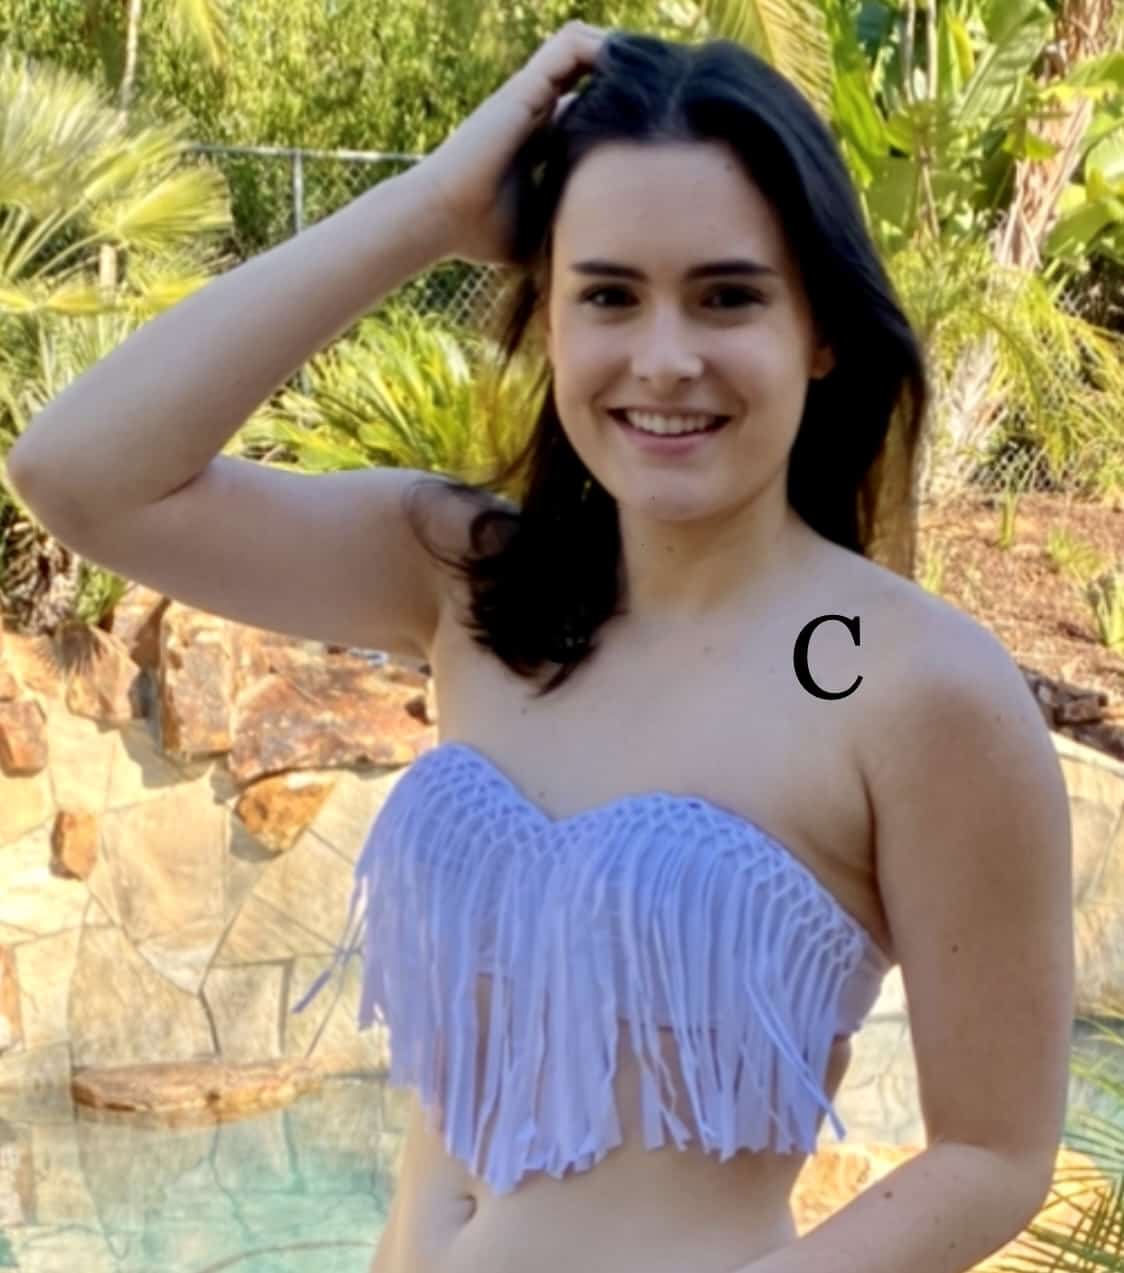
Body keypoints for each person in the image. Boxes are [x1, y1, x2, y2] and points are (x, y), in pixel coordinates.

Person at [7, 22, 1075, 1273]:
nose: (663, 359)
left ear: (820, 330)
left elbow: (991, 1153)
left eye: (727, 296)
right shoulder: (469, 582)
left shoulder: (912, 686)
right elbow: (79, 474)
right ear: (548, 319)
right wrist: (427, 210)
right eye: (607, 294)